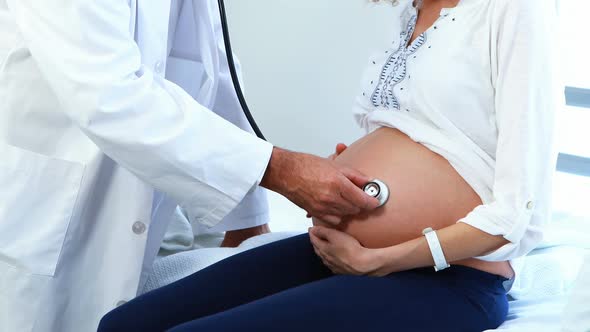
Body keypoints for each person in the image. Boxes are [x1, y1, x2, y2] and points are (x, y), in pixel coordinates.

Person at [98, 0, 561, 331]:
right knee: (124, 324)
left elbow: (522, 214)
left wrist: (381, 258)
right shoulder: (413, 11)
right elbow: (428, 135)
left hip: (451, 277)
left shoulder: (516, 9)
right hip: (341, 256)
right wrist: (348, 168)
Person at [0, 1, 381, 331]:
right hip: (46, 203)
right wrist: (278, 170)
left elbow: (210, 69)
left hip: (129, 202)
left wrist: (246, 219)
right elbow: (106, 93)